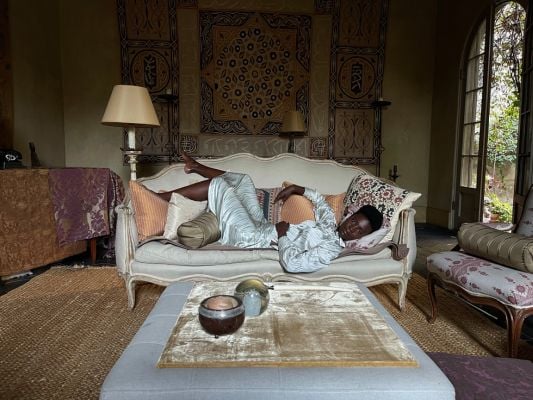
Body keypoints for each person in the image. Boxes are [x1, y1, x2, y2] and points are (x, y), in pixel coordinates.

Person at [158, 154, 383, 273]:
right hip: (263, 225)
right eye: (355, 222)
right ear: (350, 217)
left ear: (361, 237)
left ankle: (160, 199)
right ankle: (196, 167)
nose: (352, 229)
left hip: (253, 237)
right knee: (244, 180)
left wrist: (283, 235)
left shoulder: (331, 249)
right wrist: (297, 189)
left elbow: (294, 265)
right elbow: (320, 201)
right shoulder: (329, 224)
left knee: (221, 186)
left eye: (359, 231)